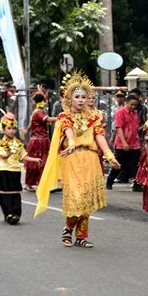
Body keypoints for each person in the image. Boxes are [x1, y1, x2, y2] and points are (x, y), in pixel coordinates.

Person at [35, 72, 120, 248]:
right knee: (76, 197)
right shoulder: (64, 117)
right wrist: (72, 142)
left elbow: (100, 137)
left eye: (84, 97)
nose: (81, 100)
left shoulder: (94, 117)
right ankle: (68, 228)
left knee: (86, 199)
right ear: (69, 99)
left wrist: (110, 156)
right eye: (77, 97)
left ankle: (81, 236)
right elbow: (68, 131)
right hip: (72, 158)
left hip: (90, 159)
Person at [0, 113, 42, 225]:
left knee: (15, 194)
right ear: (3, 130)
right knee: (5, 194)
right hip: (3, 171)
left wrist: (35, 159)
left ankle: (16, 214)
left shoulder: (18, 143)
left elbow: (23, 156)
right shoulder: (1, 143)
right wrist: (8, 153)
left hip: (15, 171)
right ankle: (8, 214)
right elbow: (2, 156)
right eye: (9, 128)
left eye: (14, 128)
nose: (12, 131)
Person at [106, 95, 141, 191]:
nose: (133, 107)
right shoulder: (120, 113)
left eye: (135, 105)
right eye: (132, 105)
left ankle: (137, 184)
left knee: (135, 164)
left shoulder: (135, 113)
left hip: (134, 143)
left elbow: (135, 127)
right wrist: (124, 142)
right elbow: (119, 128)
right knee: (119, 164)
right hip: (122, 144)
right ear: (127, 103)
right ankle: (110, 180)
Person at [24, 93, 57, 192]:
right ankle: (33, 183)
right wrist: (61, 118)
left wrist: (26, 131)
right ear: (43, 101)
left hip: (41, 140)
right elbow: (48, 119)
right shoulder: (39, 112)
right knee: (38, 162)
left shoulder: (36, 111)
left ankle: (42, 183)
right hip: (39, 141)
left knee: (43, 162)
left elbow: (30, 124)